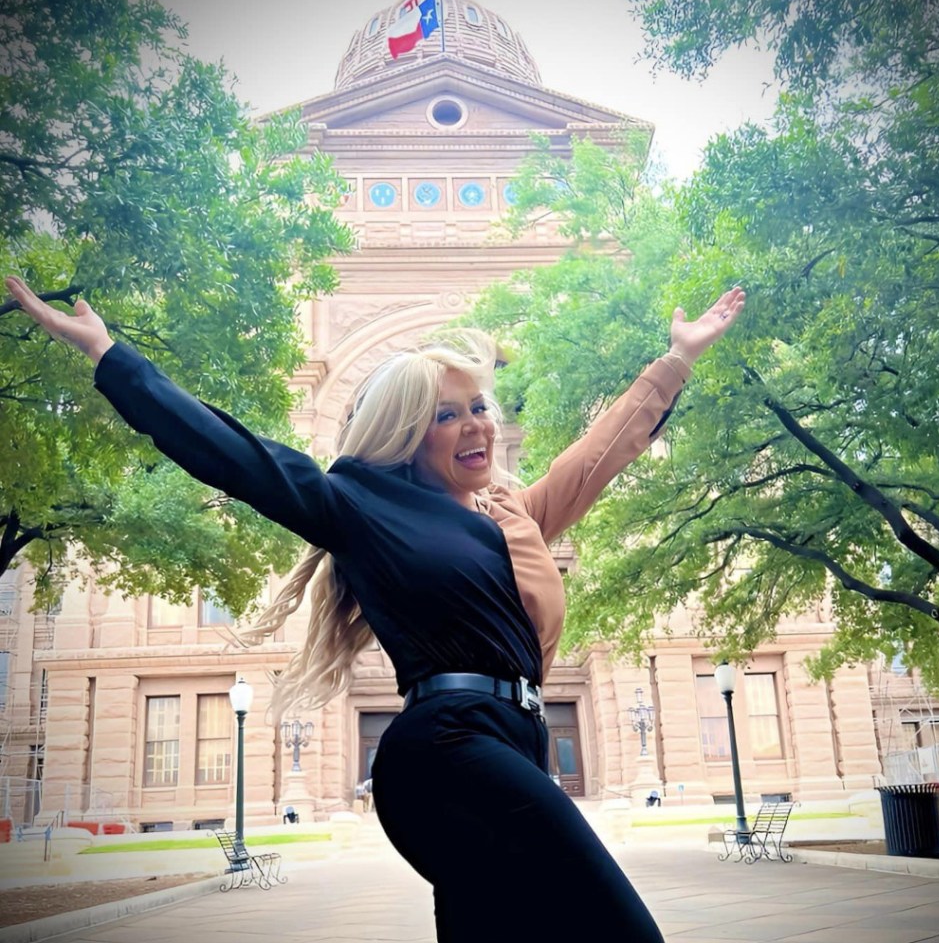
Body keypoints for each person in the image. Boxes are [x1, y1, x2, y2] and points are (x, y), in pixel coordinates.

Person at [4, 274, 744, 942]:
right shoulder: (361, 508)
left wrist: (675, 360)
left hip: (517, 741)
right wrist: (110, 356)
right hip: (448, 750)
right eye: (447, 415)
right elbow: (237, 455)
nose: (477, 425)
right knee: (618, 928)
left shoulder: (511, 513)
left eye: (478, 407)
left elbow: (598, 455)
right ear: (408, 435)